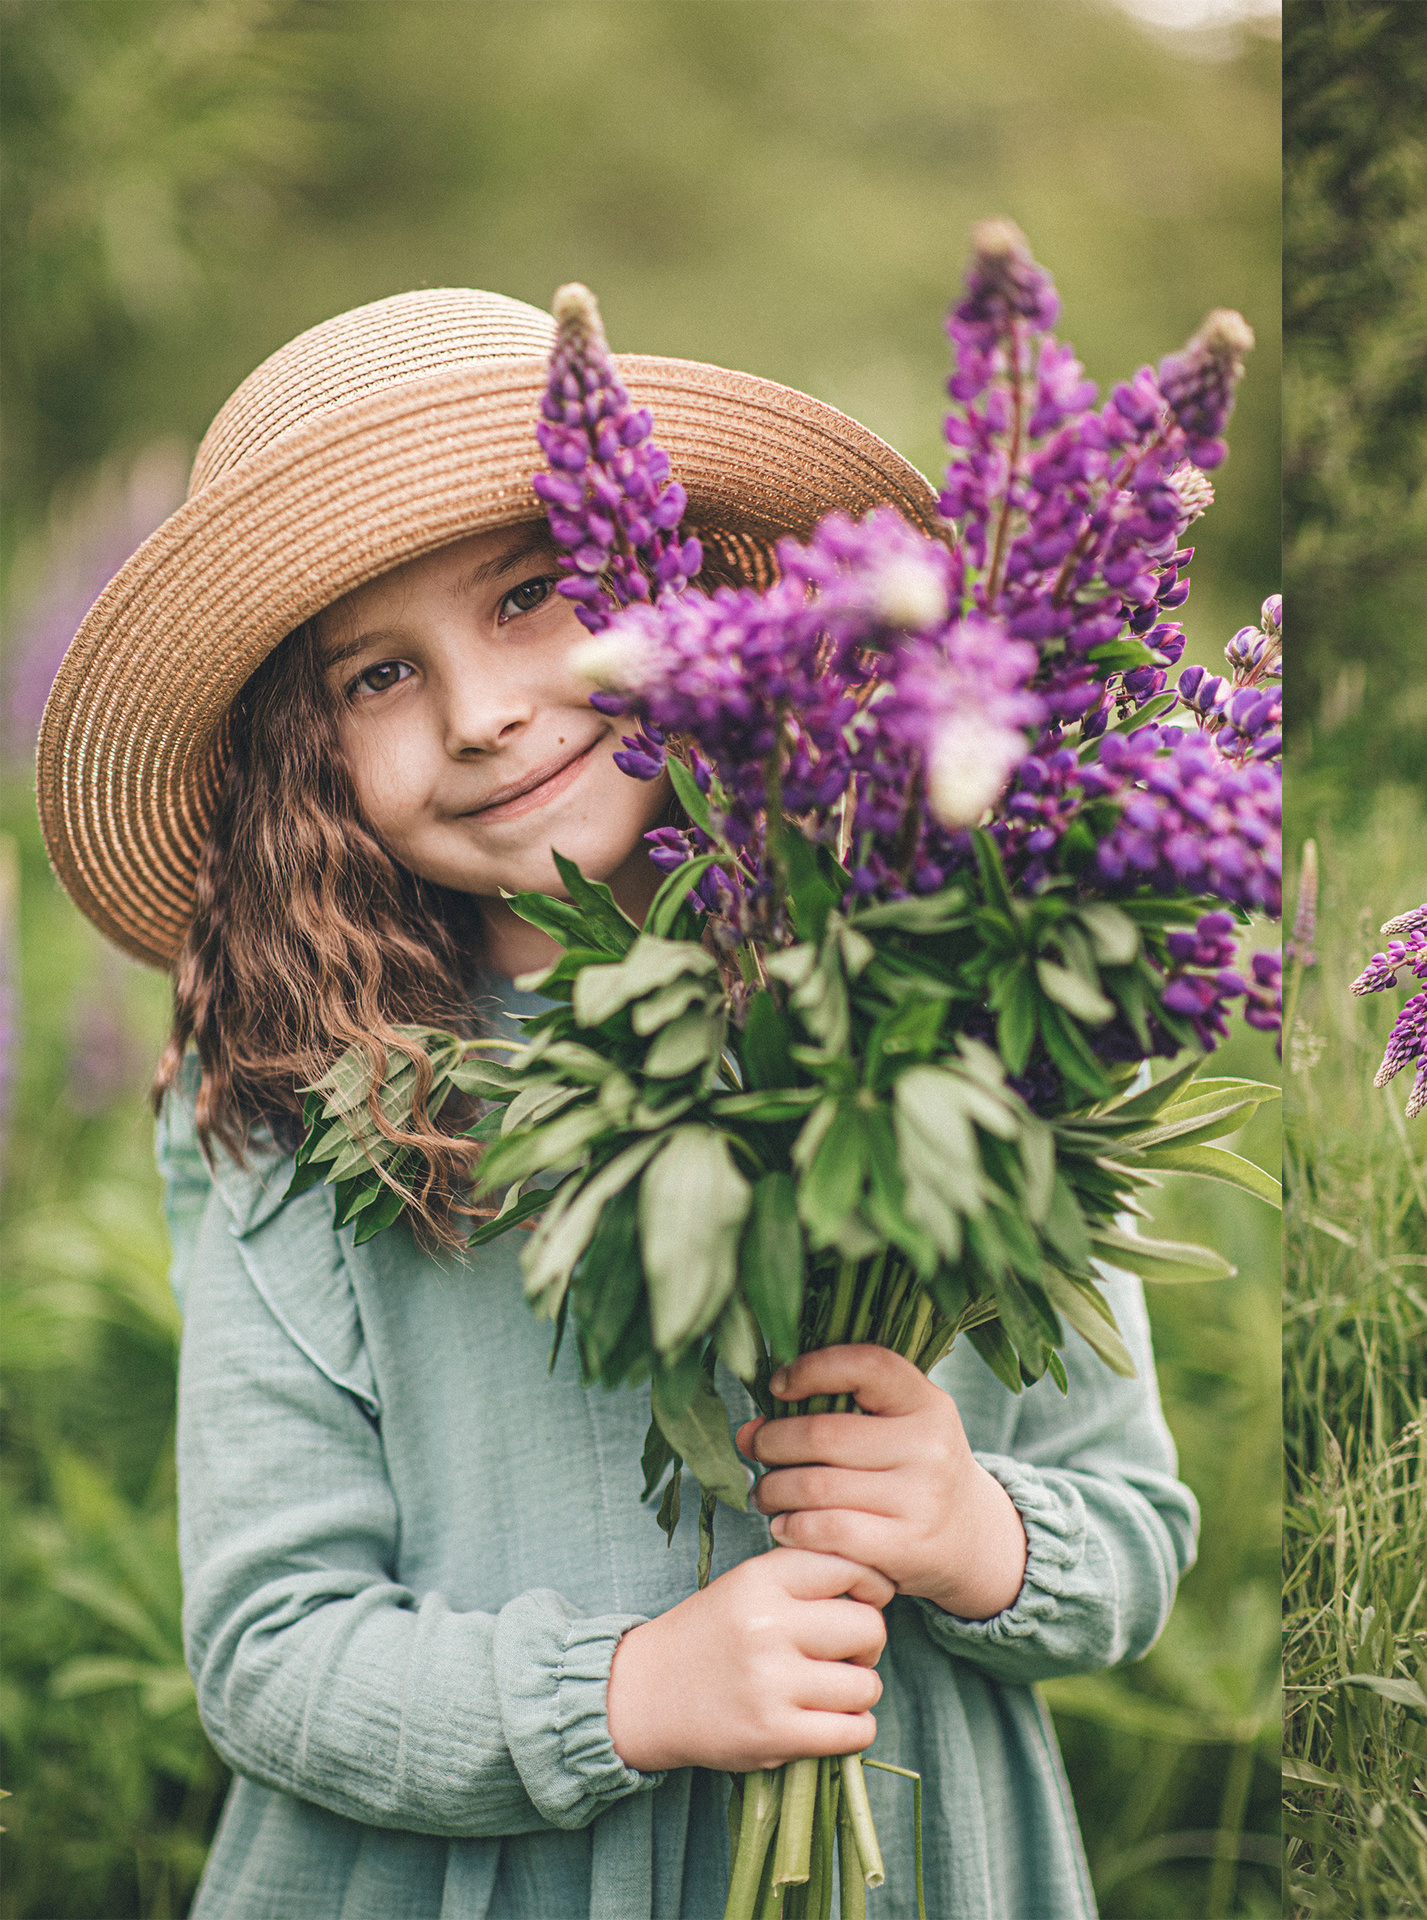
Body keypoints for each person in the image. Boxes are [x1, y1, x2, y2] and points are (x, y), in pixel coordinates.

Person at [37, 288, 1197, 1919]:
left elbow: (1131, 1531)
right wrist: (630, 1694)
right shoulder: (292, 1104)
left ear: (683, 590)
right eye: (377, 675)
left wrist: (973, 1529)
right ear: (307, 767)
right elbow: (265, 1655)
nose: (483, 713)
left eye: (530, 594)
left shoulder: (958, 990)